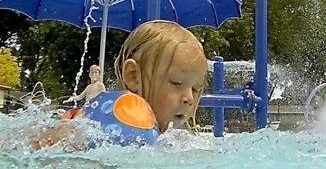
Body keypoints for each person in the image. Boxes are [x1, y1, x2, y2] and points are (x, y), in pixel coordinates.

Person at [34, 21, 208, 150]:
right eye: (176, 82)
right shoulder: (97, 120)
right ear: (133, 77)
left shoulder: (177, 143)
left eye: (195, 89)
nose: (189, 98)